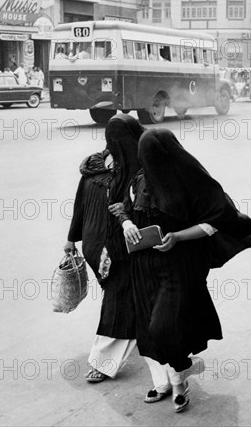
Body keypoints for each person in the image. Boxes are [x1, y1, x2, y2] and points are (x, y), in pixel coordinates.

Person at [116, 128, 251, 412]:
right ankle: (178, 383)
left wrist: (178, 237)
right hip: (144, 268)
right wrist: (127, 224)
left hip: (179, 267)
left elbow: (216, 220)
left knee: (163, 328)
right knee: (150, 331)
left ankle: (183, 369)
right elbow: (121, 208)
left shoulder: (190, 181)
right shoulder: (139, 180)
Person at [64, 114, 146, 383]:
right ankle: (106, 359)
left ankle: (108, 357)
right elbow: (80, 204)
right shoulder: (99, 165)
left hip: (120, 248)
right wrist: (70, 239)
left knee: (121, 298)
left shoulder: (140, 169)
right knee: (120, 300)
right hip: (101, 249)